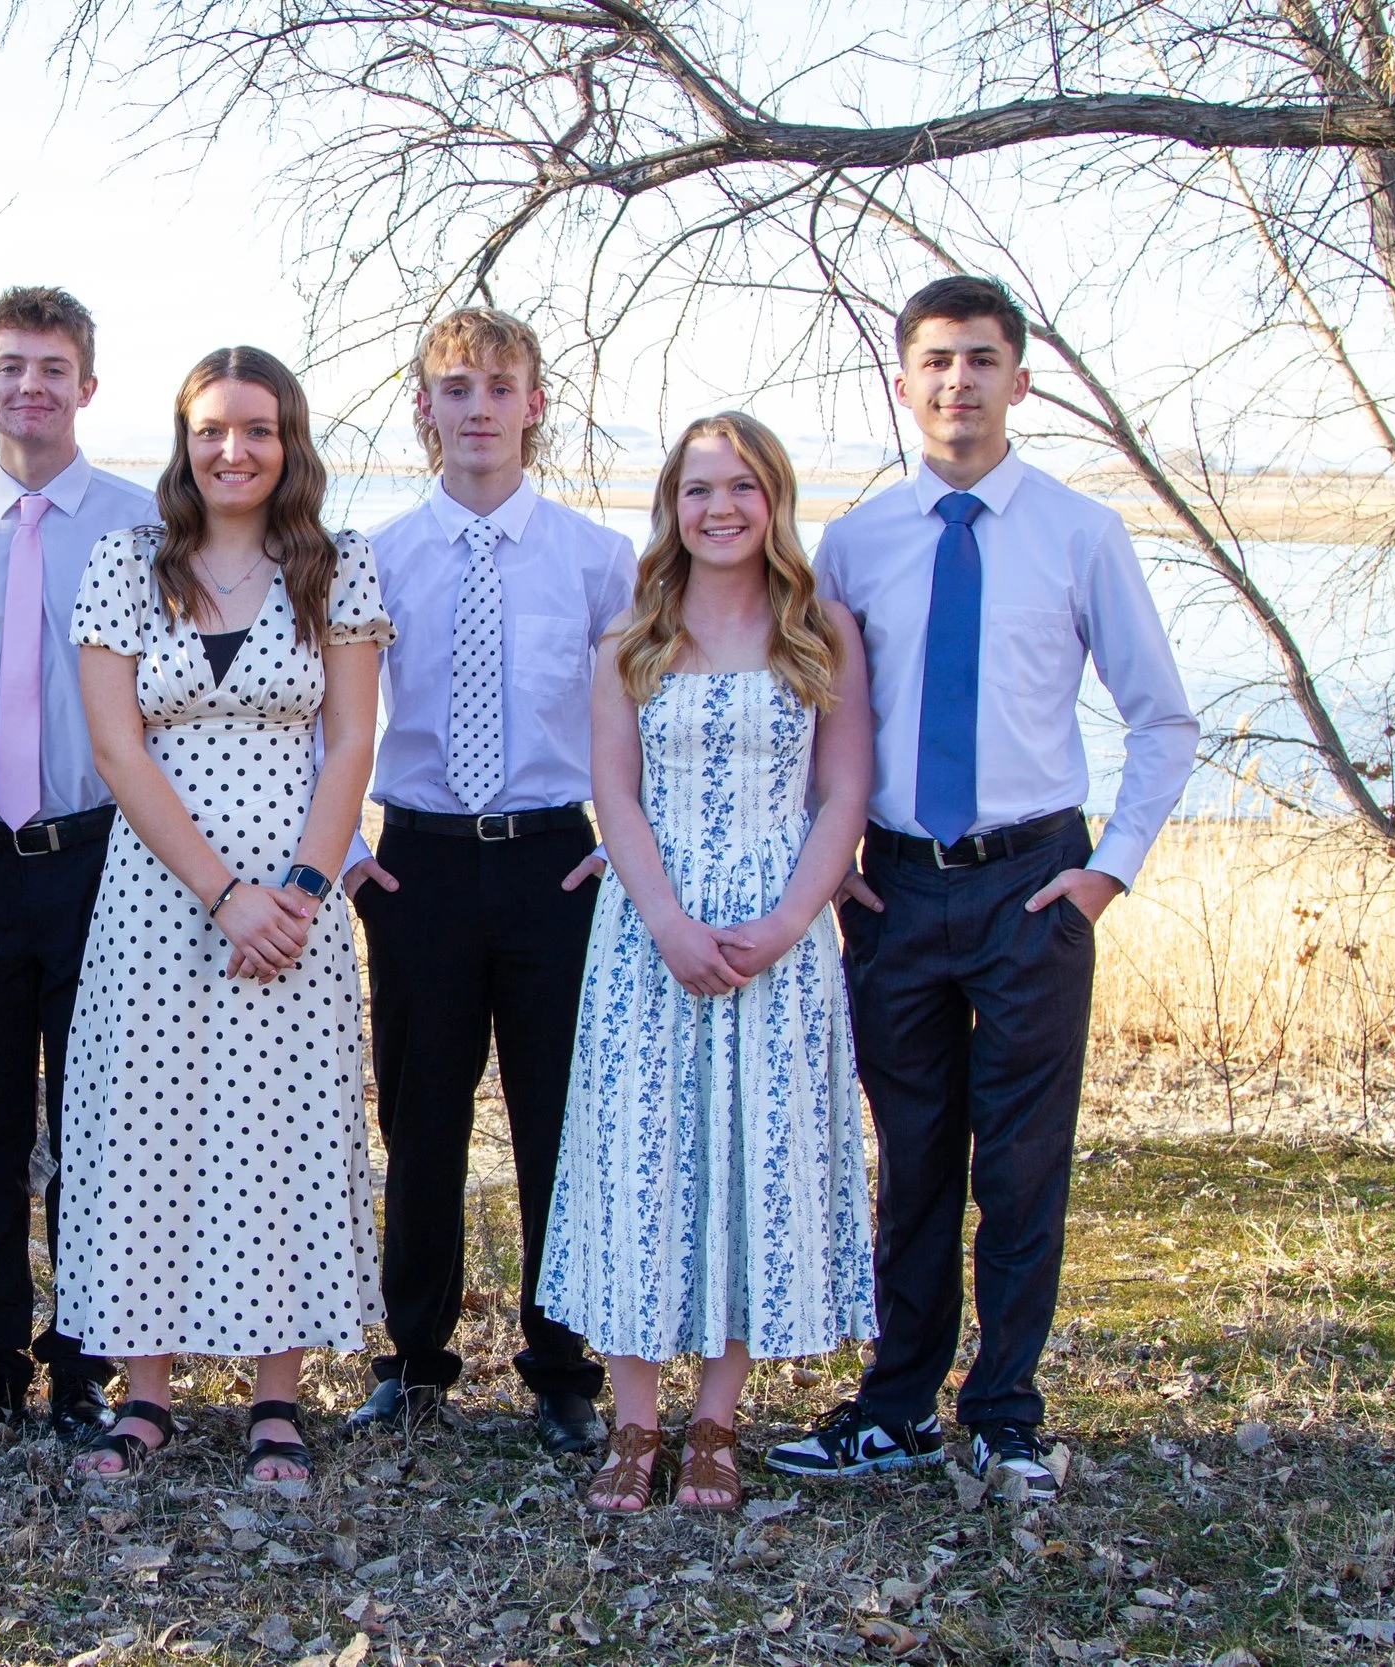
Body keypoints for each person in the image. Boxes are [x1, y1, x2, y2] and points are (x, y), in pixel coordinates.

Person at [769, 276, 1196, 1495]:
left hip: (1030, 888)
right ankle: (895, 1406)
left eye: (979, 359)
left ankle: (1005, 1411)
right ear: (904, 382)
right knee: (910, 1163)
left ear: (1019, 377)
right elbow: (814, 722)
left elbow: (1163, 719)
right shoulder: (856, 544)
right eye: (936, 361)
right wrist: (826, 862)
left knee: (1017, 1166)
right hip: (895, 893)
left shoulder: (1079, 533)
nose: (957, 380)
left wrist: (1104, 873)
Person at [58, 346, 392, 1485]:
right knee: (144, 1125)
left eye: (256, 428)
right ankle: (144, 1394)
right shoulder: (125, 562)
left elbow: (350, 739)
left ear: (289, 441)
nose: (232, 450)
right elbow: (117, 747)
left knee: (281, 1127)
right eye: (210, 429)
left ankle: (275, 1395)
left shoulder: (337, 566)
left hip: (295, 904)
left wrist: (299, 892)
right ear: (183, 438)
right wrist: (222, 894)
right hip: (159, 899)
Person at [537, 413, 875, 1514]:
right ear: (671, 506)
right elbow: (616, 792)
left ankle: (718, 1420)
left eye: (740, 487)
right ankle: (635, 1423)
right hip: (651, 931)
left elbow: (844, 792)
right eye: (697, 489)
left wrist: (787, 921)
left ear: (774, 499)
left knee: (746, 1158)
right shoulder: (632, 633)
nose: (719, 507)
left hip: (777, 931)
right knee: (642, 1161)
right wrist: (668, 921)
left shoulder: (820, 628)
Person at [340, 309, 635, 1453]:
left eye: (499, 387)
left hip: (553, 863)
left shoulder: (595, 559)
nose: (477, 407)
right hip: (417, 864)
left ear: (533, 404)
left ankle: (561, 1368)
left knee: (558, 1117)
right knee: (421, 1121)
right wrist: (351, 855)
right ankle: (412, 1362)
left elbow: (639, 718)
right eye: (454, 388)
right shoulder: (374, 556)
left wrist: (624, 843)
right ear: (424, 406)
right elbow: (333, 723)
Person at [0, 288, 156, 1445]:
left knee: (98, 1120)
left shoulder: (144, 526)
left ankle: (86, 1363)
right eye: (11, 366)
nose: (31, 387)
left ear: (86, 387)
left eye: (53, 368)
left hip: (103, 856)